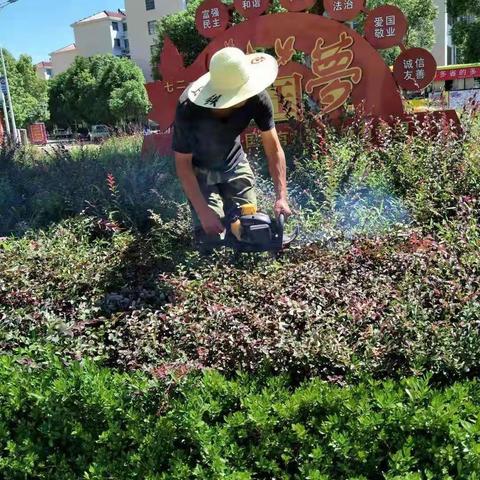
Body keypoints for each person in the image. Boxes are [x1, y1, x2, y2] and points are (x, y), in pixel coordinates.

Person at [172, 46, 291, 249]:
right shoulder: (188, 108)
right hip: (198, 169)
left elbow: (274, 149)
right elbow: (183, 165)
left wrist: (281, 197)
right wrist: (203, 212)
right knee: (211, 237)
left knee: (250, 229)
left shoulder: (257, 98)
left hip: (234, 162)